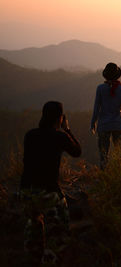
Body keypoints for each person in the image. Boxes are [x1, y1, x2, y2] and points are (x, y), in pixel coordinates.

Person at [20, 101, 81, 265]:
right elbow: (77, 151)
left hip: (26, 192)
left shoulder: (30, 135)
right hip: (48, 193)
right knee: (58, 231)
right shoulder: (59, 136)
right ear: (59, 118)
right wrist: (67, 130)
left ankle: (31, 256)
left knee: (33, 227)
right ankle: (50, 259)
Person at [90, 62, 121, 169]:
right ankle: (119, 178)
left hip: (103, 125)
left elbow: (96, 107)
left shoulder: (100, 88)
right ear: (118, 75)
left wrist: (93, 123)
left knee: (103, 156)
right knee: (120, 156)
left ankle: (104, 178)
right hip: (118, 125)